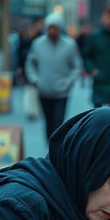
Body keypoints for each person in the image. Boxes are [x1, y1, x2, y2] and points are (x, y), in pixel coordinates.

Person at [25, 13, 81, 141]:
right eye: (50, 27)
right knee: (48, 123)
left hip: (62, 92)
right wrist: (34, 80)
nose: (52, 30)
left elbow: (76, 66)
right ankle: (49, 150)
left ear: (60, 28)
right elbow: (30, 63)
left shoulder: (69, 45)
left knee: (59, 123)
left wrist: (69, 82)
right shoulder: (37, 44)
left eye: (55, 27)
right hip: (44, 90)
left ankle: (57, 150)